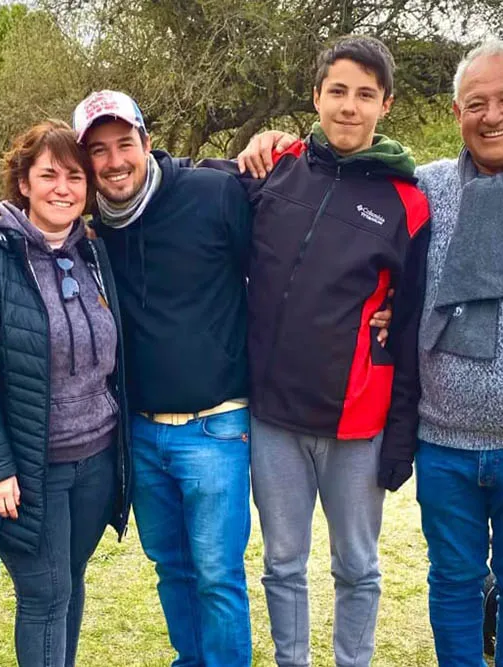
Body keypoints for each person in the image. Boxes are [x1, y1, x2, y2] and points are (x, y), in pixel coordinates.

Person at [238, 39, 503, 666]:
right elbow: (367, 233)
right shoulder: (425, 188)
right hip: (443, 441)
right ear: (457, 113)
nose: (492, 115)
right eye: (476, 103)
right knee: (452, 582)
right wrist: (272, 142)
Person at [199, 35, 429, 667]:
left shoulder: (408, 202)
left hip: (357, 425)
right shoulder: (276, 168)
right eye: (338, 91)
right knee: (282, 563)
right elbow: (190, 189)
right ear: (316, 96)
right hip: (273, 418)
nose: (349, 106)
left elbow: (408, 326)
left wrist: (401, 437)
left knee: (356, 566)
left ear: (385, 104)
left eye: (365, 95)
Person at [0, 119, 130, 667]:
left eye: (75, 176)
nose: (62, 188)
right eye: (49, 175)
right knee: (44, 594)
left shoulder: (93, 254)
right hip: (29, 466)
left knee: (70, 578)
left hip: (96, 458)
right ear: (23, 182)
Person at [73, 90, 255, 666]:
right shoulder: (91, 232)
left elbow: (278, 271)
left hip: (217, 427)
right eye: (98, 150)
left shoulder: (214, 193)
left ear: (146, 143)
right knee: (171, 568)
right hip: (142, 434)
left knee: (217, 575)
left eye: (124, 143)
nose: (114, 161)